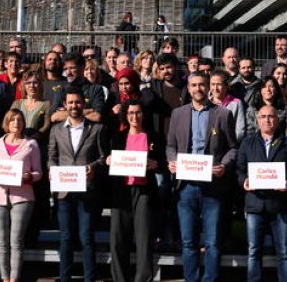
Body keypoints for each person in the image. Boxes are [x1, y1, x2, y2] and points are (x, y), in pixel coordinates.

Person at [166, 71, 238, 282]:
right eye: (194, 85)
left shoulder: (223, 114)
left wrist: (224, 166)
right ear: (188, 89)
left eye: (202, 85)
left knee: (213, 241)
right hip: (186, 186)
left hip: (213, 186)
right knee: (188, 241)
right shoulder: (178, 114)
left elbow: (233, 148)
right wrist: (172, 161)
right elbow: (170, 145)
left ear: (208, 87)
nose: (198, 88)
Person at [237, 105, 287, 282]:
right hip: (255, 203)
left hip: (279, 205)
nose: (267, 120)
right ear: (257, 120)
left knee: (283, 251)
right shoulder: (247, 142)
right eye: (263, 117)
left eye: (271, 117)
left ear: (277, 120)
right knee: (254, 251)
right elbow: (239, 170)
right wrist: (244, 180)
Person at [47, 87, 107, 282]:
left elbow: (102, 157)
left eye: (78, 102)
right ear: (64, 105)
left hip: (87, 191)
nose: (74, 106)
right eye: (70, 102)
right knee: (65, 239)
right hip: (64, 192)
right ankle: (65, 279)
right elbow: (51, 156)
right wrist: (51, 169)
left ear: (84, 104)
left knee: (86, 238)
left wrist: (93, 167)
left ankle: (89, 279)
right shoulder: (56, 130)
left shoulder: (96, 129)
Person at [106, 100, 164, 282]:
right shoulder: (117, 138)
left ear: (143, 114)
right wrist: (108, 160)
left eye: (138, 112)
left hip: (144, 192)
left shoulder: (154, 137)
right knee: (117, 240)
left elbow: (164, 163)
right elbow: (109, 163)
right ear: (125, 115)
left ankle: (142, 279)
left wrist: (156, 164)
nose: (134, 116)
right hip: (121, 193)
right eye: (130, 113)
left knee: (144, 240)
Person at [0, 109, 43, 282]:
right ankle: (5, 278)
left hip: (22, 198)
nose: (16, 123)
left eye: (19, 120)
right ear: (7, 123)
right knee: (2, 242)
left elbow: (39, 172)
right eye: (12, 120)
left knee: (16, 242)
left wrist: (29, 177)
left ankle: (15, 279)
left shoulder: (31, 144)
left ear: (23, 123)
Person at [10, 68, 52, 139]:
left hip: (37, 142)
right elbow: (9, 122)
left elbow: (46, 125)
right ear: (24, 86)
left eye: (35, 82)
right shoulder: (17, 103)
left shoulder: (47, 104)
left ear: (40, 85)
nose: (32, 86)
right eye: (28, 83)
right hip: (17, 141)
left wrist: (32, 138)